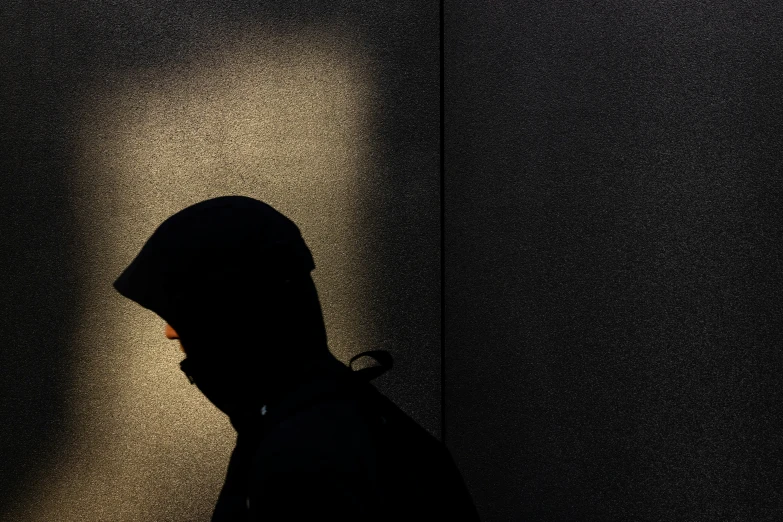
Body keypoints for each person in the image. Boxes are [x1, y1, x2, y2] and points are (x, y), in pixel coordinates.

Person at [113, 195, 481, 521]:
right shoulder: (335, 417)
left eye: (182, 313)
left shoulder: (305, 459)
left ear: (234, 315)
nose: (169, 332)